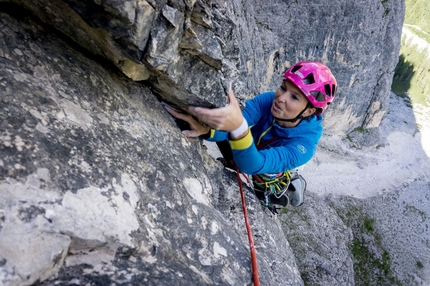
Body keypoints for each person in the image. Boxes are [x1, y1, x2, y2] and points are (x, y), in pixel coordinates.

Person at [164, 61, 337, 212]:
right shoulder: (269, 100)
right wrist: (207, 130)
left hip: (266, 167)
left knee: (263, 182)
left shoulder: (304, 146)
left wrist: (236, 129)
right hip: (249, 147)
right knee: (234, 145)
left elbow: (254, 164)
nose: (280, 98)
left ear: (309, 111)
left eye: (294, 97)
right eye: (283, 87)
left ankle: (285, 190)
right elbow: (239, 121)